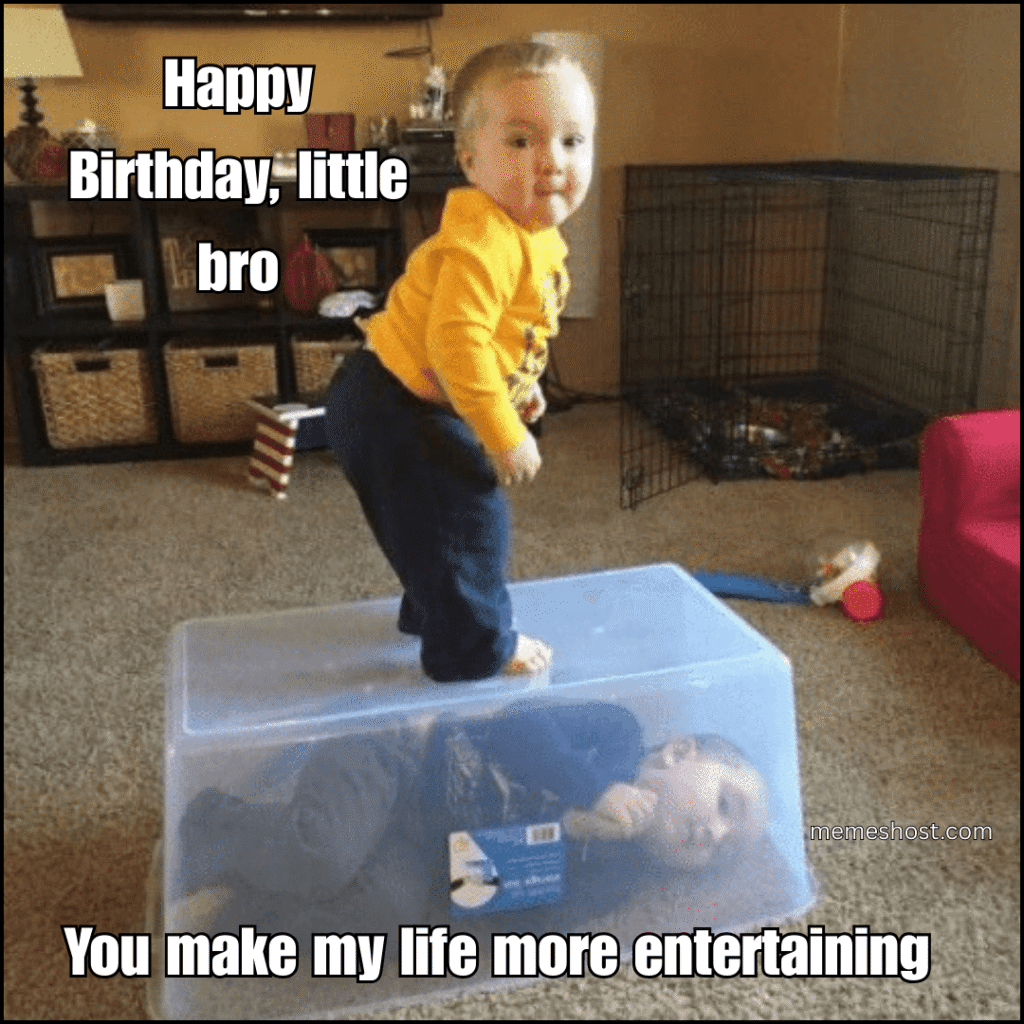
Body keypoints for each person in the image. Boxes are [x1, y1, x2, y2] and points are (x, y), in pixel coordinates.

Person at [325, 41, 596, 682]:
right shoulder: (484, 239)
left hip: (406, 396)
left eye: (573, 141)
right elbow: (457, 345)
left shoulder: (534, 235)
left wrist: (518, 389)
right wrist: (504, 435)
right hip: (397, 404)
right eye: (522, 142)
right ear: (470, 159)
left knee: (430, 517)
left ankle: (436, 610)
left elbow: (507, 335)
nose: (553, 163)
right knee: (470, 518)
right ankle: (474, 654)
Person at [171, 703, 768, 951]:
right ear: (679, 752)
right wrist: (591, 790)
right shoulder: (618, 735)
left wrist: (570, 833)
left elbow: (482, 891)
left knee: (381, 913)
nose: (714, 835)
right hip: (403, 758)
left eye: (722, 849)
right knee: (324, 851)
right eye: (725, 805)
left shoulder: (613, 877)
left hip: (427, 846)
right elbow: (517, 728)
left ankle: (237, 908)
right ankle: (218, 821)